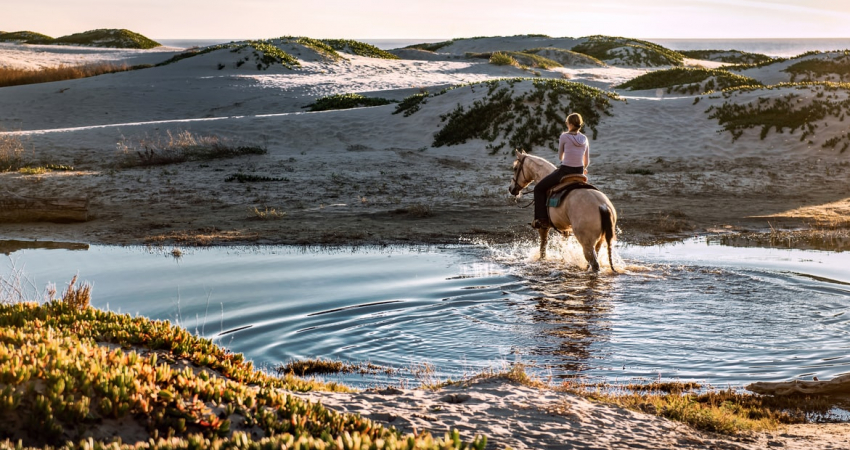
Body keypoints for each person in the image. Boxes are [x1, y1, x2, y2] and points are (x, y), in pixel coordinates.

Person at [531, 112, 589, 229]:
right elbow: (586, 161)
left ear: (571, 124)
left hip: (565, 171)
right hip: (579, 171)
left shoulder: (564, 136)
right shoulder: (584, 138)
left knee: (538, 189)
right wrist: (583, 168)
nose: (567, 125)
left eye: (567, 123)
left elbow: (560, 157)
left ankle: (542, 219)